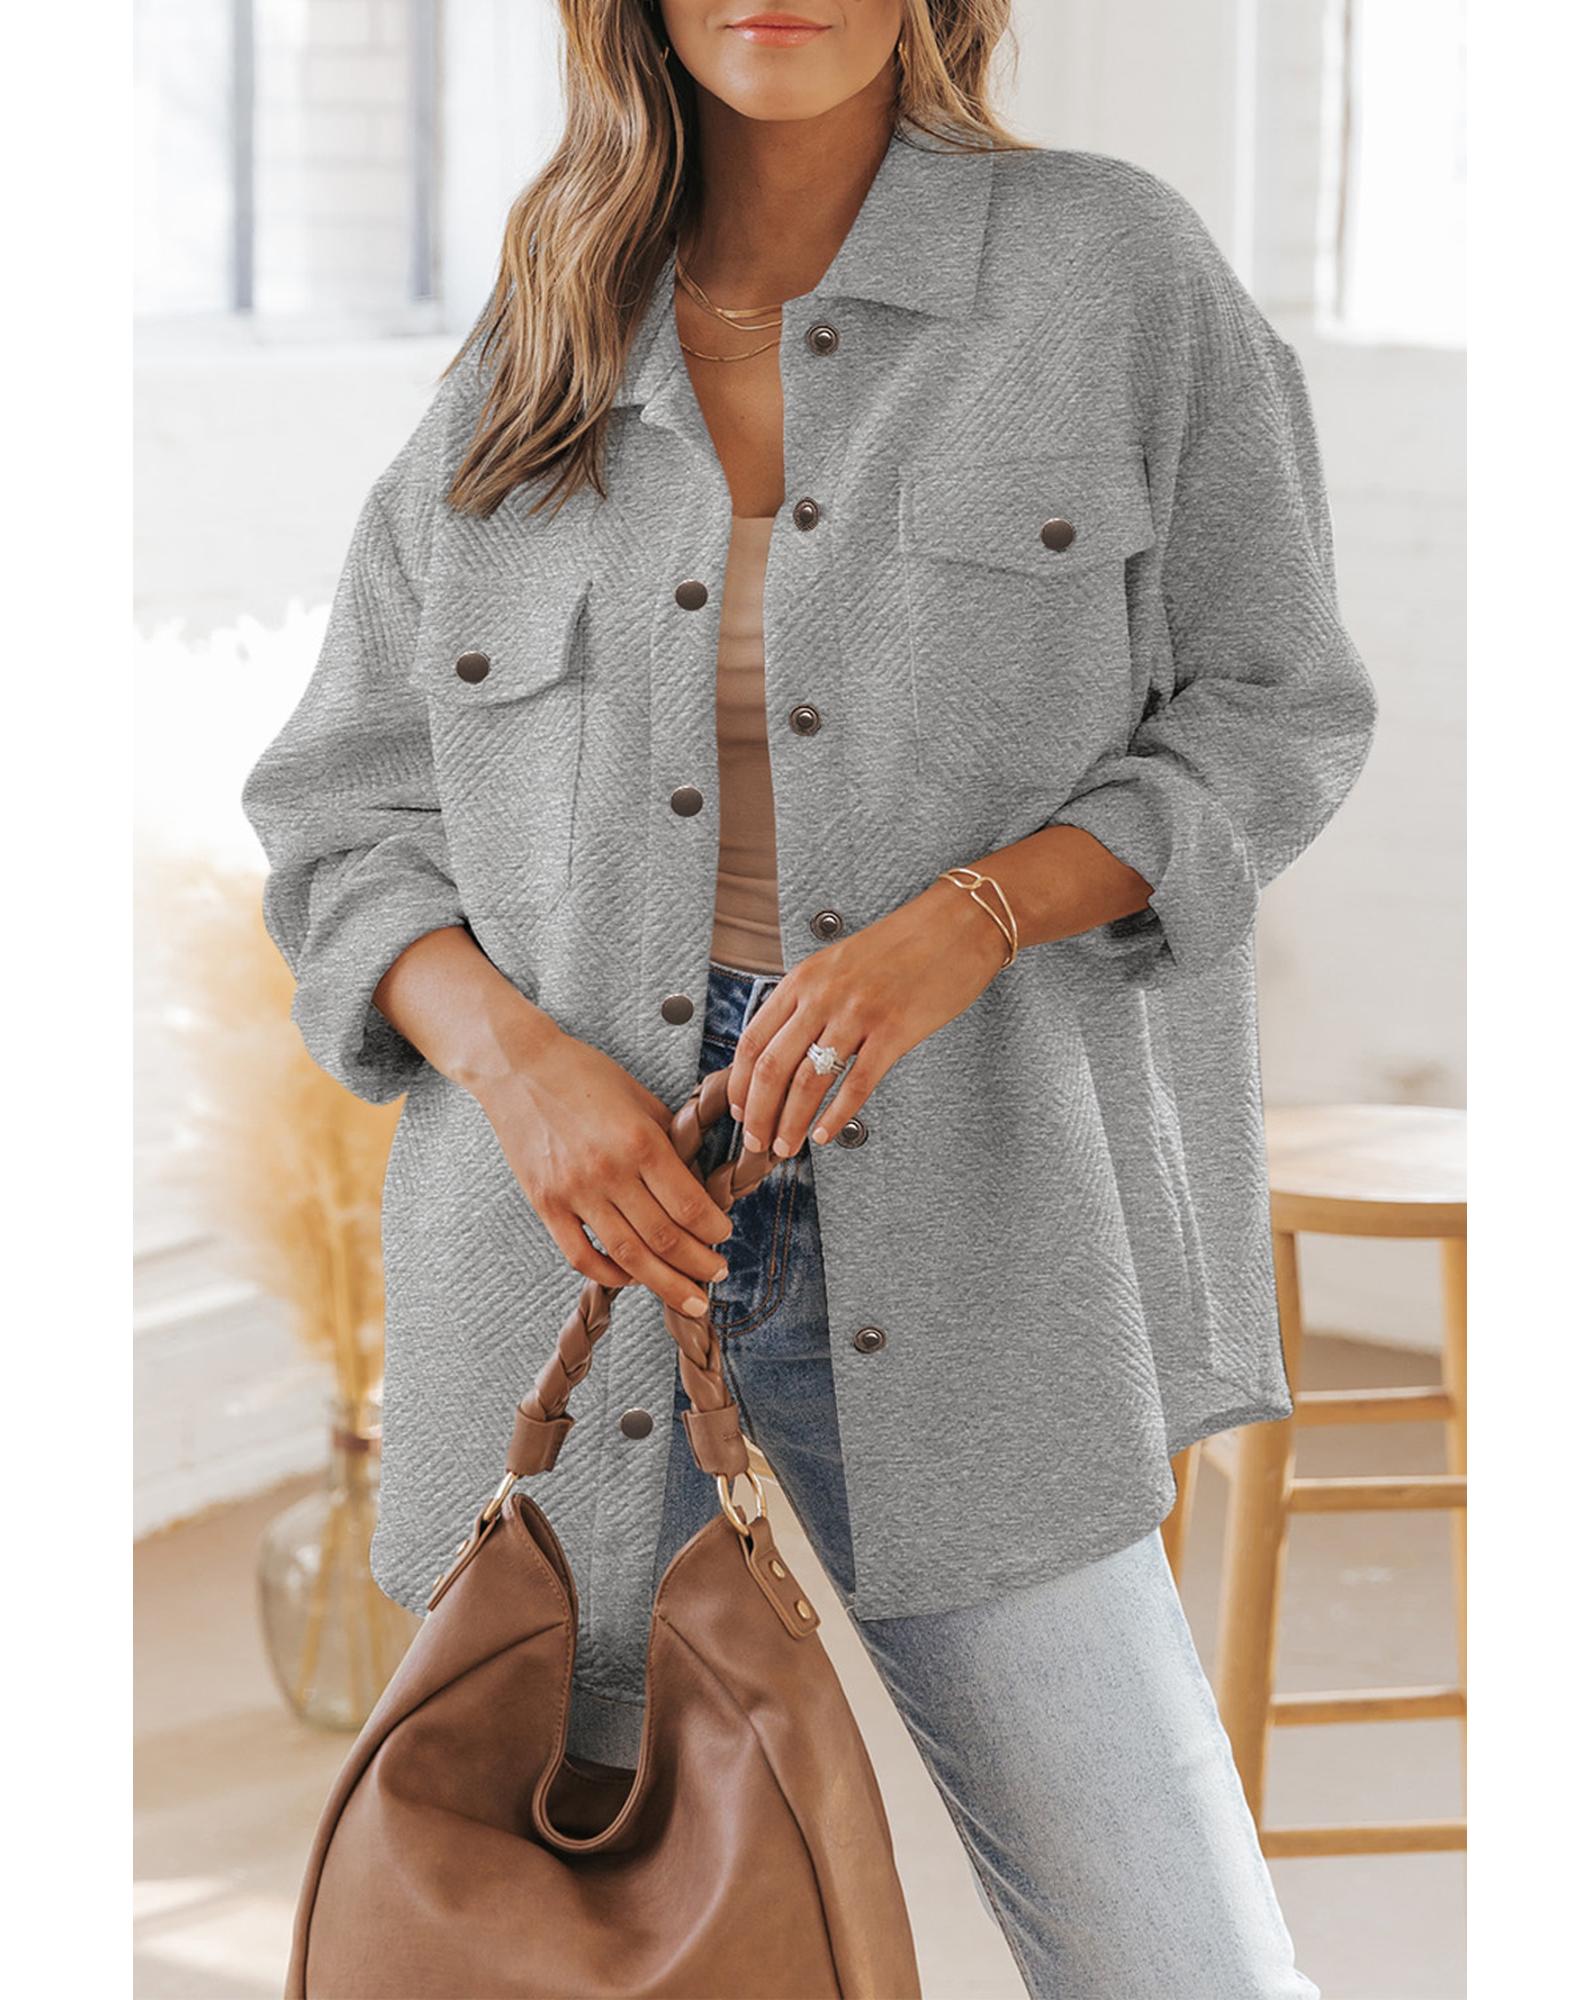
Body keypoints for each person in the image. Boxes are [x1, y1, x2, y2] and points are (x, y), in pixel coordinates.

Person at [243, 4, 1376, 1993]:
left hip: (984, 1216)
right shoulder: (544, 330)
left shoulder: (1109, 272)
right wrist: (521, 1071)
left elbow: (1275, 711)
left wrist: (974, 917)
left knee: (1172, 1948)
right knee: (583, 1946)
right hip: (581, 1238)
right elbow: (345, 818)